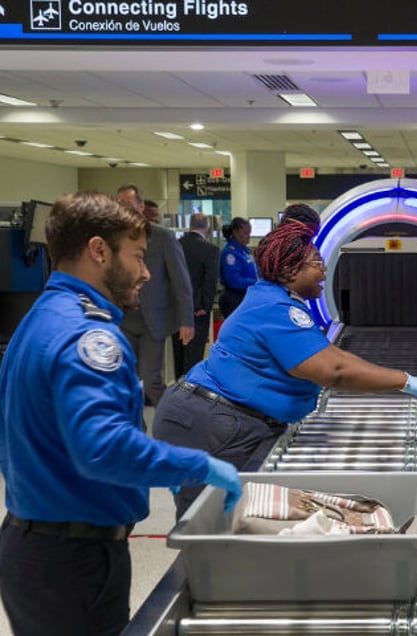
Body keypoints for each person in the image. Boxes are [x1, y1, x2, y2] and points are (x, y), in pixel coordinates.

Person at [0, 191, 241, 636]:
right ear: (98, 250)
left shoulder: (40, 318)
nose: (147, 273)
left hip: (34, 545)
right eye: (137, 256)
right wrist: (196, 464)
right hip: (74, 559)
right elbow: (102, 448)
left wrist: (145, 463)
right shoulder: (89, 339)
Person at [153, 203, 417, 519]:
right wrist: (407, 382)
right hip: (210, 422)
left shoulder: (273, 299)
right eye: (317, 262)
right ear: (290, 270)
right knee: (210, 522)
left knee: (229, 518)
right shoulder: (275, 309)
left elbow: (331, 356)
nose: (325, 270)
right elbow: (334, 369)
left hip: (217, 415)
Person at [116, 185, 194, 406]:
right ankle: (135, 427)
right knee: (126, 380)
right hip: (123, 318)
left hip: (153, 319)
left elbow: (181, 279)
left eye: (128, 205)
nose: (123, 209)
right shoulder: (113, 237)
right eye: (119, 205)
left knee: (151, 380)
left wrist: (186, 319)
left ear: (140, 206)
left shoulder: (162, 237)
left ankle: (174, 418)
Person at [172, 213, 220, 379]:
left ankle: (177, 389)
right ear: (207, 228)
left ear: (190, 226)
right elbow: (210, 281)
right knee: (194, 354)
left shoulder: (175, 245)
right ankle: (190, 391)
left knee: (178, 353)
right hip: (197, 311)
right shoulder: (211, 250)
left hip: (176, 309)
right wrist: (204, 306)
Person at [219, 216, 258, 317]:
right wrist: (256, 282)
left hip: (246, 295)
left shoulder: (245, 251)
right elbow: (234, 280)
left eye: (249, 233)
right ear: (236, 233)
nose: (249, 237)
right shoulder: (230, 253)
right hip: (235, 298)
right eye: (246, 234)